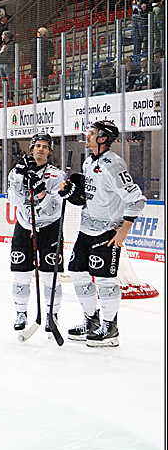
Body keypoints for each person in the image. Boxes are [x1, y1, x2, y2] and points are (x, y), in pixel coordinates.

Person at [58, 121, 146, 348]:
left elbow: (136, 199)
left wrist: (124, 230)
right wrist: (73, 193)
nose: (87, 136)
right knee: (78, 273)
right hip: (85, 231)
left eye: (92, 133)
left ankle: (110, 327)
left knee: (106, 280)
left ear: (103, 138)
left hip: (107, 232)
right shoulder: (89, 162)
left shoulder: (114, 165)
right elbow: (88, 197)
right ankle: (90, 321)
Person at [5, 133, 67, 336]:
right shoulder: (16, 172)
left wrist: (40, 188)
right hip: (24, 226)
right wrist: (19, 177)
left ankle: (52, 315)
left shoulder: (56, 176)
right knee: (20, 274)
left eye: (44, 146)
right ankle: (20, 313)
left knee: (51, 276)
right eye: (37, 146)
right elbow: (14, 201)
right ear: (31, 149)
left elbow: (53, 211)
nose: (40, 149)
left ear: (50, 151)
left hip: (49, 228)